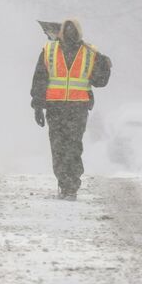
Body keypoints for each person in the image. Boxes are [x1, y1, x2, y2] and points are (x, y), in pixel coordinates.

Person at [30, 18, 112, 200]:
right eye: (66, 29)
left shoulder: (90, 53)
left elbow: (100, 81)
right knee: (58, 147)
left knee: (73, 147)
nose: (69, 33)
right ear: (60, 32)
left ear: (79, 33)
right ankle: (64, 183)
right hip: (56, 108)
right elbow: (40, 80)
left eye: (72, 29)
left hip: (77, 109)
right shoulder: (49, 51)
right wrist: (38, 105)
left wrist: (105, 65)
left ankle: (71, 185)